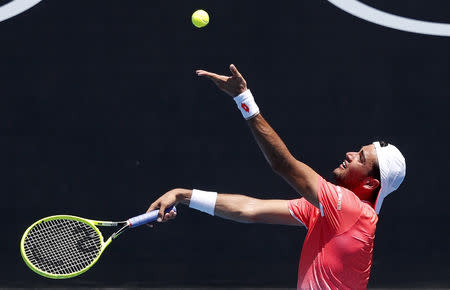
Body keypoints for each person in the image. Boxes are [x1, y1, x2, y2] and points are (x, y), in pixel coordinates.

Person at [147, 64, 406, 290]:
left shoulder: (351, 210)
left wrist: (243, 99)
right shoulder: (331, 211)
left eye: (360, 158)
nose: (350, 154)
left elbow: (283, 165)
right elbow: (250, 209)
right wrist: (184, 196)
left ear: (371, 183)